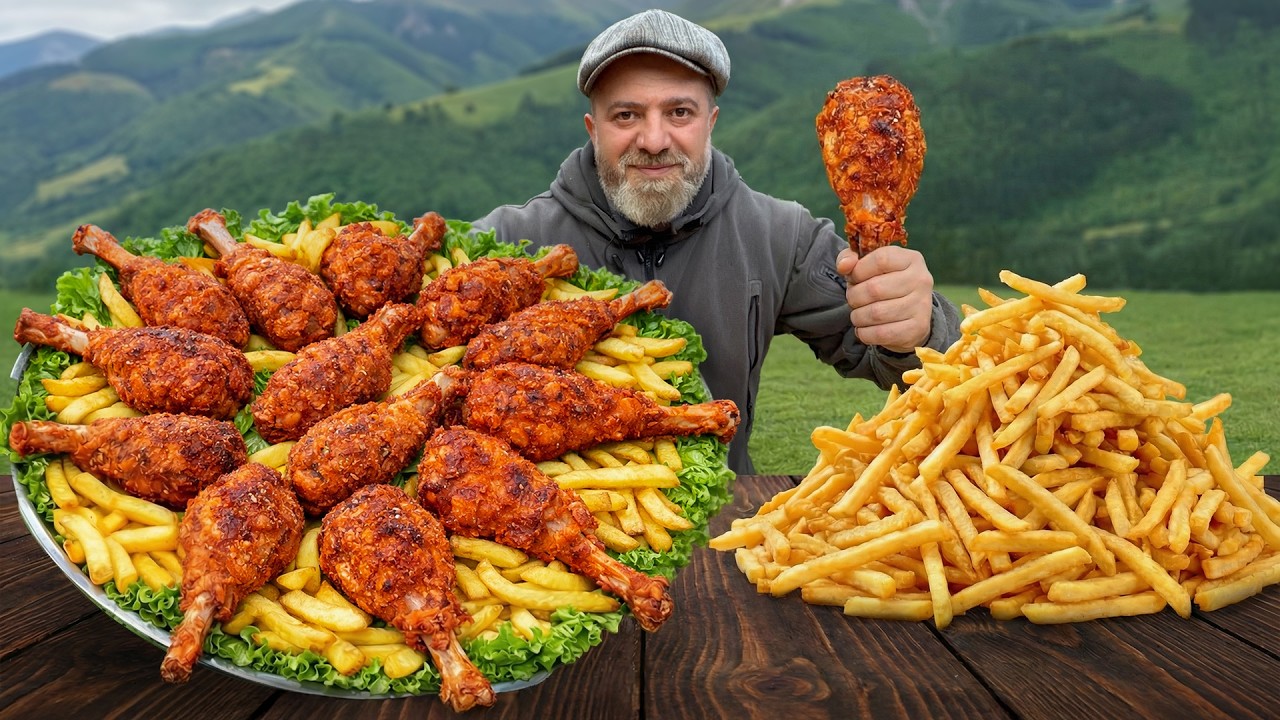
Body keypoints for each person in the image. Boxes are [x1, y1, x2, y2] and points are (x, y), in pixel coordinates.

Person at [472, 9, 961, 474]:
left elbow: (904, 363)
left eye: (679, 112)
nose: (654, 139)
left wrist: (921, 328)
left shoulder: (780, 236)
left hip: (722, 524)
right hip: (540, 536)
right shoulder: (510, 243)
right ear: (592, 129)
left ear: (711, 123)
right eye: (626, 116)